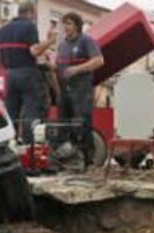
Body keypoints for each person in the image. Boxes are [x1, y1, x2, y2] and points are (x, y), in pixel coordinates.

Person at [0, 2, 56, 143]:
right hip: (28, 74)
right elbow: (34, 50)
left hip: (9, 75)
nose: (34, 17)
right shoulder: (29, 27)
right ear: (30, 12)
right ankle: (30, 148)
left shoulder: (2, 30)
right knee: (32, 112)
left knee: (11, 114)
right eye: (34, 14)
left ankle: (10, 144)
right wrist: (50, 41)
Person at [56, 12, 104, 167]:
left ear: (77, 25)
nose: (65, 27)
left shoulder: (86, 41)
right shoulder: (62, 44)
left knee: (81, 125)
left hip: (81, 91)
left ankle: (88, 162)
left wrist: (77, 69)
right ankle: (69, 160)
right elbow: (59, 66)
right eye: (64, 23)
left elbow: (99, 61)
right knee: (64, 125)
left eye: (69, 23)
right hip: (64, 91)